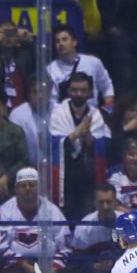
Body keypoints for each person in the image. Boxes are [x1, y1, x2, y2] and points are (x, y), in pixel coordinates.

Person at [48, 71, 110, 220]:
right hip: (65, 181)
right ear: (69, 91)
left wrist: (89, 139)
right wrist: (76, 134)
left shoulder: (96, 116)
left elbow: (100, 149)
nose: (78, 94)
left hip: (87, 183)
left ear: (90, 93)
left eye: (83, 90)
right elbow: (53, 145)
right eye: (75, 90)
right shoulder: (58, 113)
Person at [0, 167, 72, 273]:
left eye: (32, 185)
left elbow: (66, 247)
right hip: (15, 269)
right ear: (16, 188)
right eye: (23, 185)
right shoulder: (5, 211)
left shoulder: (52, 210)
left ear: (39, 187)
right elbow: (0, 247)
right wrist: (24, 265)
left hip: (48, 266)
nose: (28, 189)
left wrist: (54, 267)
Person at [69, 182, 120, 273]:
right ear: (95, 203)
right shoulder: (84, 227)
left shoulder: (128, 223)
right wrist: (96, 266)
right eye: (101, 202)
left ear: (116, 202)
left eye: (108, 202)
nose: (105, 207)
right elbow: (76, 262)